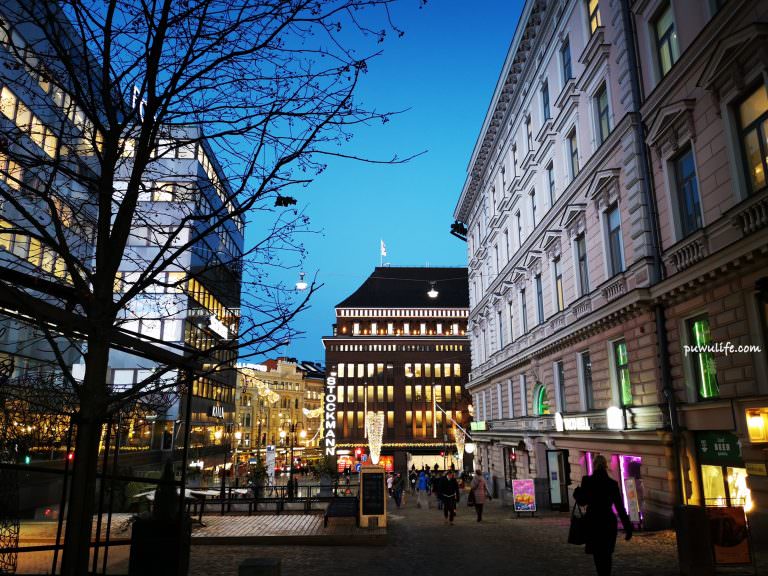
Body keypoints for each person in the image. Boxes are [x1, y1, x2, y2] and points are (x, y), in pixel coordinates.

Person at [574, 455, 633, 576]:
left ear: (594, 465)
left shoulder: (587, 481)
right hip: (608, 521)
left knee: (597, 554)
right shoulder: (612, 484)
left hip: (593, 521)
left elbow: (582, 502)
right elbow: (620, 508)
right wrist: (628, 527)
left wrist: (577, 494)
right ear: (606, 466)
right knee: (607, 553)